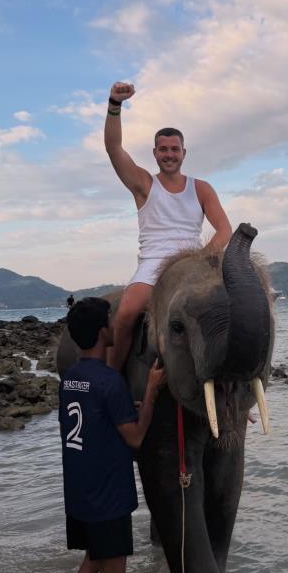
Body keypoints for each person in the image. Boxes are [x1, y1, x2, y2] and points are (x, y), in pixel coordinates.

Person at [59, 297, 165, 573]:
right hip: (107, 497)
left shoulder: (71, 379)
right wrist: (150, 392)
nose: (113, 325)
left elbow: (92, 420)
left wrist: (124, 410)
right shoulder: (109, 381)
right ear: (102, 332)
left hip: (79, 492)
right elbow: (135, 438)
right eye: (109, 321)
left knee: (91, 561)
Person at [104, 81, 232, 370]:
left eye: (175, 149)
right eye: (163, 149)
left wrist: (201, 258)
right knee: (126, 312)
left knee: (238, 308)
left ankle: (235, 378)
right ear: (155, 153)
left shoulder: (201, 188)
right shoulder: (143, 184)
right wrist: (114, 105)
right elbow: (113, 148)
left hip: (194, 262)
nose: (169, 154)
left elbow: (224, 230)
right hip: (153, 265)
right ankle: (112, 375)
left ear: (184, 152)